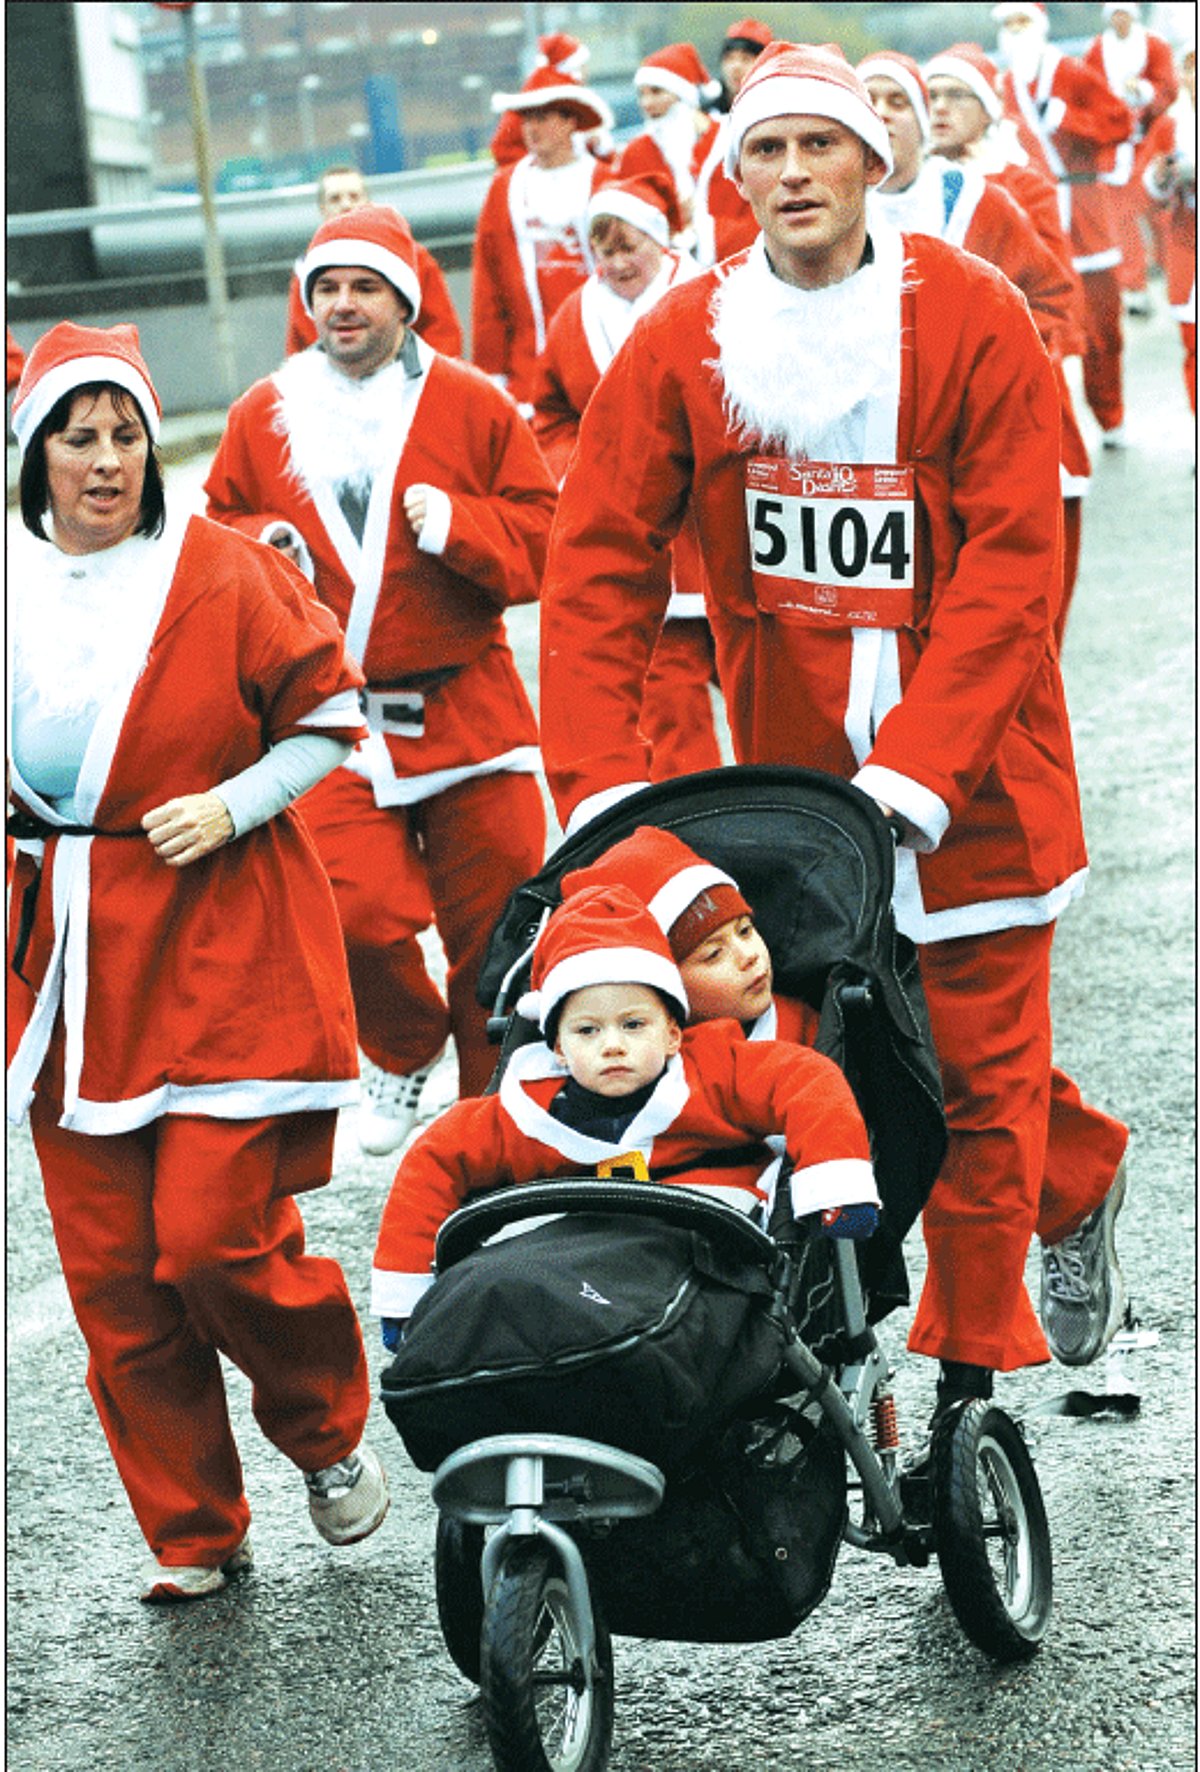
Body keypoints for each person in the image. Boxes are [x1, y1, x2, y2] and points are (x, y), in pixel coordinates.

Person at [537, 42, 1130, 1420]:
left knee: (980, 1085)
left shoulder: (973, 313)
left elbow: (1011, 567)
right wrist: (596, 784)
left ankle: (970, 1389)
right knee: (857, 1056)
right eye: (765, 151)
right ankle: (1082, 1167)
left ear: (874, 160)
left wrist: (921, 773)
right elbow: (600, 567)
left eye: (820, 147)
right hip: (797, 789)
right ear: (732, 174)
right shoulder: (685, 335)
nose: (794, 174)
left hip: (979, 782)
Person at [7, 322, 389, 1603]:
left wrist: (234, 801)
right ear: (35, 452)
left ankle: (326, 1425)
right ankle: (194, 1526)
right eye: (79, 435)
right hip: (62, 954)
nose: (106, 461)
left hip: (220, 928)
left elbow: (328, 718)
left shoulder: (218, 569)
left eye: (125, 434)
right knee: (115, 1274)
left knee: (214, 1234)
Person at [205, 205, 556, 1150]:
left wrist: (467, 529)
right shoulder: (264, 411)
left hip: (467, 704)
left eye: (364, 287)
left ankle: (491, 1120)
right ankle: (402, 1047)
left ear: (404, 301)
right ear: (306, 301)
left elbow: (545, 536)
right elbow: (212, 531)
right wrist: (260, 545)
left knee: (502, 925)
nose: (343, 305)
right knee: (346, 911)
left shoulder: (474, 400)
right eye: (327, 288)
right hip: (334, 720)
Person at [370, 883, 879, 1334]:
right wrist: (407, 1293)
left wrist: (832, 1185)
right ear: (559, 1049)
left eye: (634, 1025)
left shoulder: (717, 1070)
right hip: (575, 1270)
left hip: (708, 1263)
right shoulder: (527, 1115)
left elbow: (806, 1081)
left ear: (675, 1032)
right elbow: (432, 1160)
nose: (612, 1045)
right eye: (588, 1031)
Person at [860, 49, 1090, 646]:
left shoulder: (995, 192)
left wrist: (976, 373)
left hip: (1002, 438)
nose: (935, 110)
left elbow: (1056, 300)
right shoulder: (838, 212)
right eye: (928, 96)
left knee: (1020, 639)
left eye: (946, 97)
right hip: (899, 470)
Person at [530, 174, 721, 782]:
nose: (615, 264)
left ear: (661, 243)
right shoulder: (573, 320)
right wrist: (574, 475)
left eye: (628, 247)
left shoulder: (712, 295)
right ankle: (703, 816)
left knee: (764, 685)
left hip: (720, 529)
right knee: (668, 703)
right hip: (642, 538)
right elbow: (551, 414)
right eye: (603, 251)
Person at [992, 0, 1134, 446]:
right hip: (1036, 214)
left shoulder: (1069, 72)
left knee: (1102, 325)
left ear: (1039, 26)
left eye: (1023, 22)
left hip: (1084, 208)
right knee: (1044, 321)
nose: (1016, 31)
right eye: (1008, 24)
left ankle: (1111, 416)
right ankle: (1051, 433)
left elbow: (1121, 122)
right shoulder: (1003, 85)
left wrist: (1069, 119)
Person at [558, 823, 820, 1044]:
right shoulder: (640, 1066)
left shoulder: (807, 1026)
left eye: (745, 930)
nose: (748, 956)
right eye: (714, 954)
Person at [473, 65, 616, 413]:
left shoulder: (605, 180)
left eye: (543, 117)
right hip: (529, 366)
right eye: (526, 118)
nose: (531, 128)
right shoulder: (505, 187)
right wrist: (492, 370)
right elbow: (488, 285)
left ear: (570, 122)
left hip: (602, 353)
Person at [283, 163, 462, 359]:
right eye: (335, 198)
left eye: (354, 196)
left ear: (368, 201)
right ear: (322, 208)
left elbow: (442, 330)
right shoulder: (307, 270)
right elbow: (297, 344)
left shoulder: (413, 259)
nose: (346, 205)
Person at [1085, 2, 1179, 316]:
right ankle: (1134, 284)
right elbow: (1088, 90)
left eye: (1124, 14)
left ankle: (1171, 268)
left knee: (1160, 209)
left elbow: (1169, 88)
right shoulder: (1098, 49)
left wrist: (1144, 92)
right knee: (1122, 211)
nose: (1120, 20)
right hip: (1117, 143)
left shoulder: (1153, 45)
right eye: (1114, 15)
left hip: (1153, 136)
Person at [619, 43, 723, 243]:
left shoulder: (721, 138)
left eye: (657, 92)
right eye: (642, 94)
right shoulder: (636, 152)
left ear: (682, 95)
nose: (646, 103)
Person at [692, 17, 774, 264]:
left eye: (746, 59)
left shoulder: (774, 120)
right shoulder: (701, 117)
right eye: (730, 58)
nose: (736, 67)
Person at [1142, 42, 1196, 415]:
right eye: (1190, 68)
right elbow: (1145, 191)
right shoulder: (1170, 124)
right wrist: (1160, 177)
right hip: (1187, 243)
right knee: (1194, 346)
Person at [489, 33, 614, 170]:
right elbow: (501, 149)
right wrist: (537, 168)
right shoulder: (531, 102)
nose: (586, 72)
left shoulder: (577, 101)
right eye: (582, 66)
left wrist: (597, 146)